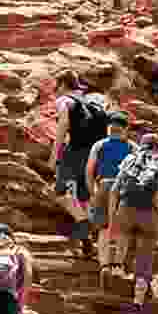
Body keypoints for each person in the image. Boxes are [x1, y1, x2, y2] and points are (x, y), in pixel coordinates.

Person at [109, 132, 158, 307]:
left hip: (126, 209)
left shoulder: (130, 160)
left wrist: (113, 218)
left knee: (123, 234)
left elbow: (115, 191)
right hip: (150, 214)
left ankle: (117, 266)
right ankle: (139, 296)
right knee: (145, 254)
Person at [49, 69, 108, 258]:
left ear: (63, 85)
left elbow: (63, 126)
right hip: (94, 154)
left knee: (59, 194)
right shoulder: (91, 101)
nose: (54, 91)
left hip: (74, 152)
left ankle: (84, 223)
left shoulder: (64, 101)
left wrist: (54, 155)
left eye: (55, 86)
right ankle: (87, 244)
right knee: (82, 199)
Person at [85, 111, 135, 285]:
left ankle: (104, 264)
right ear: (125, 129)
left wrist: (92, 192)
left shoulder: (99, 145)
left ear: (110, 127)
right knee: (124, 229)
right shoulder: (132, 147)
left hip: (104, 187)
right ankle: (118, 265)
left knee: (104, 228)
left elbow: (89, 170)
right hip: (125, 189)